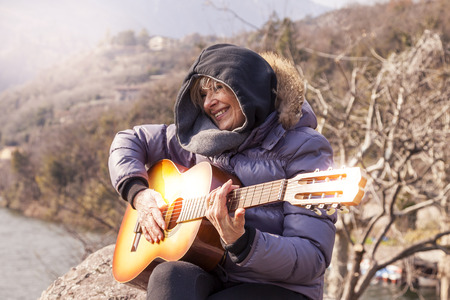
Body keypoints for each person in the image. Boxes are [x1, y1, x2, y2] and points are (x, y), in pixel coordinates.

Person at [108, 44, 336, 300]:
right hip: (215, 272)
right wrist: (140, 195)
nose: (209, 102)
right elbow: (128, 140)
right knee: (168, 277)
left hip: (279, 288)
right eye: (203, 94)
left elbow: (312, 258)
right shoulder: (203, 138)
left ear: (247, 87)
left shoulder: (304, 147)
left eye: (218, 87)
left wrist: (243, 242)